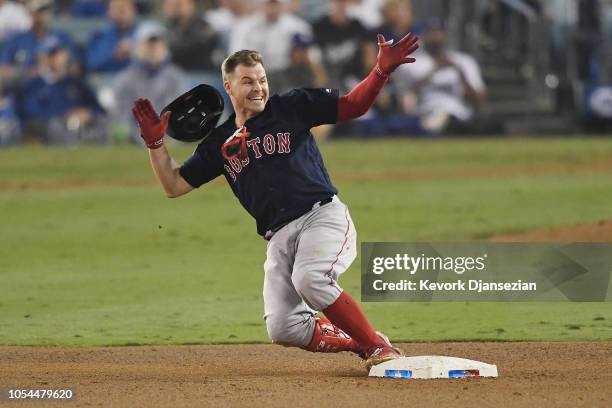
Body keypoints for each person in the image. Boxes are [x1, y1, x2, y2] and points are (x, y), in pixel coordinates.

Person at [131, 32, 419, 369]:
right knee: (283, 327)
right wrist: (155, 144)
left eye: (262, 79)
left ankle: (379, 349)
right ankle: (361, 340)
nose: (258, 88)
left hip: (321, 217)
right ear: (228, 86)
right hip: (279, 236)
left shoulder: (290, 106)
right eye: (248, 81)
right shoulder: (218, 143)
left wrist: (380, 72)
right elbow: (174, 185)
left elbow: (354, 105)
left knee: (311, 279)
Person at [396, 19, 486, 134]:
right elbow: (404, 101)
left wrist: (461, 74)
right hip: (427, 114)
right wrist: (433, 71)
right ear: (423, 35)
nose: (435, 36)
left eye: (438, 32)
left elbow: (479, 100)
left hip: (459, 115)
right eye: (431, 32)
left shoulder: (463, 61)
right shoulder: (411, 62)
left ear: (445, 34)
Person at [16, 37, 108, 145]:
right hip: (48, 134)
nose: (57, 58)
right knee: (54, 126)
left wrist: (88, 114)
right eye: (52, 54)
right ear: (42, 58)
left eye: (59, 53)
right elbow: (30, 115)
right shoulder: (33, 85)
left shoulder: (76, 83)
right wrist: (63, 116)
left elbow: (99, 110)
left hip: (79, 129)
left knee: (103, 123)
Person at [111, 22, 188, 144]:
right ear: (137, 47)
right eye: (148, 44)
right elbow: (122, 120)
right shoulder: (124, 80)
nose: (154, 48)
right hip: (136, 146)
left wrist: (168, 139)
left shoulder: (177, 78)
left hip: (171, 144)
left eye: (158, 43)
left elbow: (182, 116)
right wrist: (149, 141)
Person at [0, 0, 78, 88]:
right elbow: (3, 69)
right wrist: (28, 73)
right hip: (24, 90)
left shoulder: (62, 38)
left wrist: (57, 68)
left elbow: (75, 68)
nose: (42, 15)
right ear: (30, 13)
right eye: (38, 11)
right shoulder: (17, 40)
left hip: (57, 89)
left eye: (45, 11)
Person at [162, 0, 220, 72]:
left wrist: (171, 46)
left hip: (201, 72)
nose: (176, 8)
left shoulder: (204, 25)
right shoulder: (170, 25)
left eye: (180, 4)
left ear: (191, 5)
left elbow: (201, 46)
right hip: (176, 73)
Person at [85, 0, 138, 73]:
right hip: (105, 81)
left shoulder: (144, 34)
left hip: (138, 81)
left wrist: (135, 52)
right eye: (116, 8)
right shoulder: (100, 35)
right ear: (108, 12)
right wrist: (115, 54)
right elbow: (91, 65)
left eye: (123, 8)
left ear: (133, 10)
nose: (120, 12)